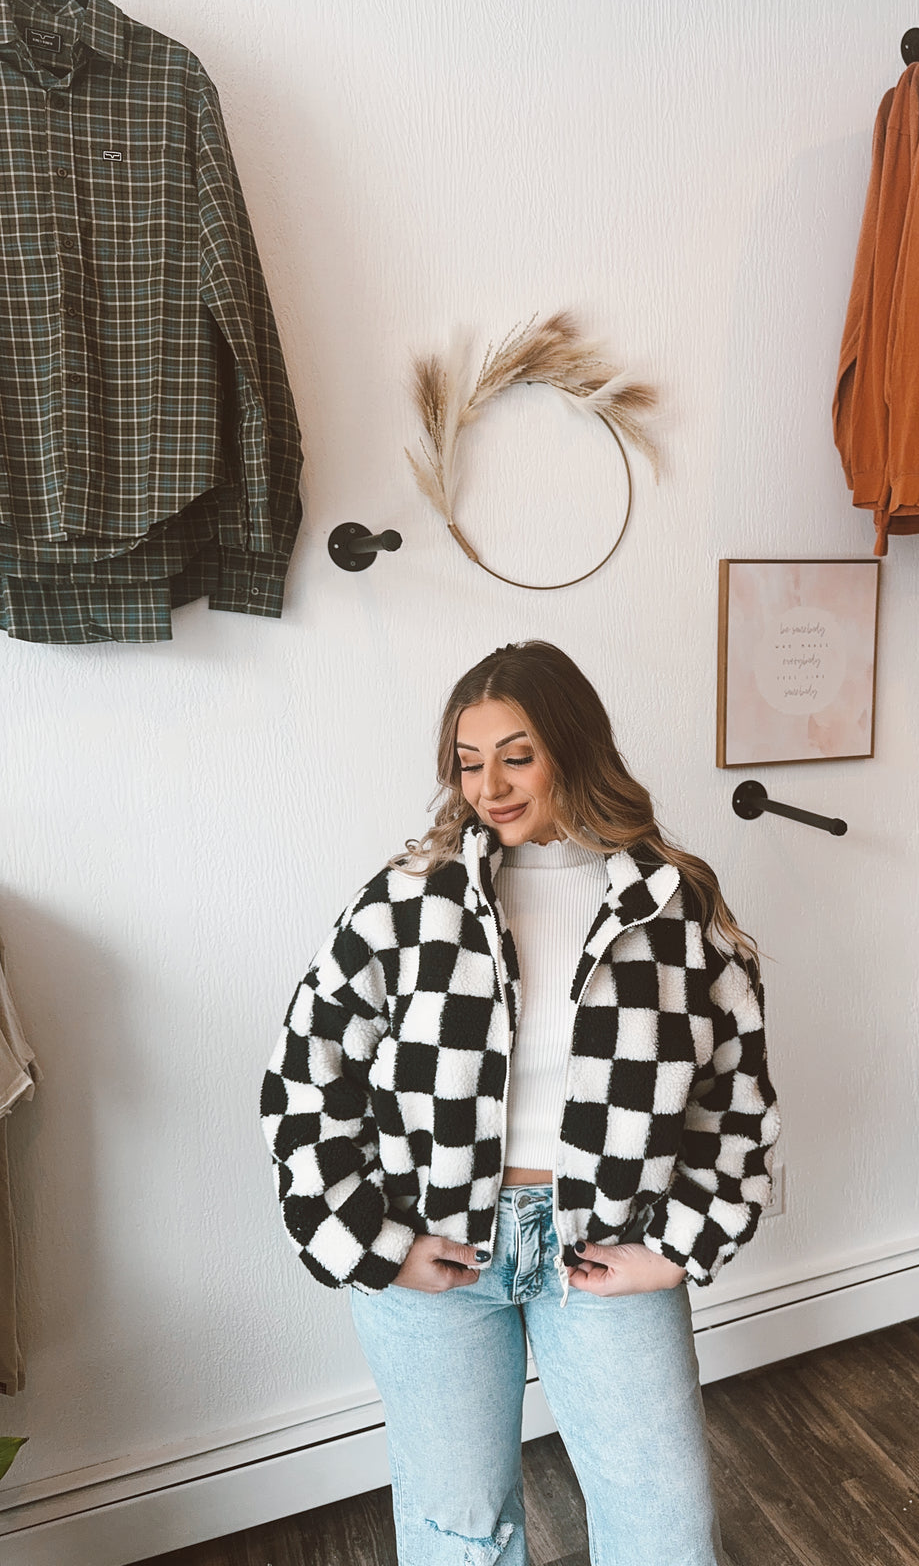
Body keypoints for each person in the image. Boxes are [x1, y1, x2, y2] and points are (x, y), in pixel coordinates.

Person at [261, 640, 779, 1566]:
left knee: (664, 1530)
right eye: (469, 762)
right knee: (458, 1530)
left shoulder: (671, 905)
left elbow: (733, 1095)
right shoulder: (409, 903)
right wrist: (373, 1242)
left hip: (605, 1243)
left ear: (573, 749)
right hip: (440, 1246)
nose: (489, 786)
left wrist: (678, 1246)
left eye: (516, 755)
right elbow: (307, 1075)